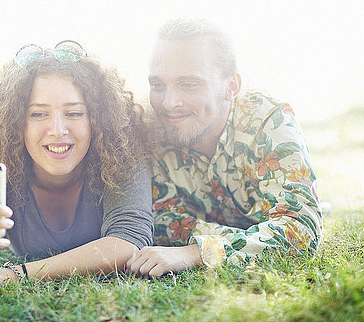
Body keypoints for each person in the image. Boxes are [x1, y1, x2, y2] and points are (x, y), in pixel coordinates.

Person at [0, 40, 153, 295]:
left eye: (74, 114)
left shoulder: (119, 155)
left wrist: (11, 275)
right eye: (38, 114)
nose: (58, 130)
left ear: (96, 120)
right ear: (15, 122)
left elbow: (128, 243)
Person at [126, 19, 323, 277]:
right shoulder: (147, 128)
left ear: (232, 87)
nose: (168, 103)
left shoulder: (268, 120)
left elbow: (300, 230)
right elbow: (163, 223)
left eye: (188, 84)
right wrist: (260, 234)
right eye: (158, 85)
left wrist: (197, 252)